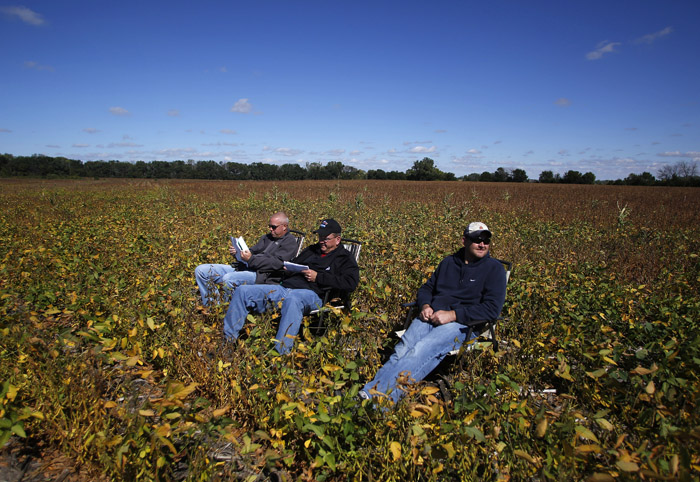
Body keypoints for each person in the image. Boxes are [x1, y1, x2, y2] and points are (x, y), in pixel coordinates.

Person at [360, 222, 507, 404]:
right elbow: (426, 289)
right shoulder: (448, 262)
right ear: (464, 240)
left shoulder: (494, 269)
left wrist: (453, 315)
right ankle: (369, 395)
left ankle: (380, 403)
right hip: (431, 316)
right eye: (477, 240)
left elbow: (492, 309)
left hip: (463, 324)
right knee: (402, 350)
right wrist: (425, 306)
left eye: (486, 240)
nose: (482, 244)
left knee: (421, 350)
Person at [223, 218, 359, 355]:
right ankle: (228, 342)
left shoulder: (345, 258)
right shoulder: (312, 250)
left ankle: (280, 354)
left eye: (326, 238)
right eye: (320, 237)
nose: (321, 241)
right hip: (285, 287)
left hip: (312, 294)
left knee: (292, 299)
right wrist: (289, 268)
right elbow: (293, 264)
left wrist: (318, 277)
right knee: (243, 291)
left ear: (337, 239)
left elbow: (350, 283)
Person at [194, 212, 299, 307]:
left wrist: (251, 260)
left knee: (229, 279)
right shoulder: (267, 237)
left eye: (274, 227)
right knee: (202, 270)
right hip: (245, 267)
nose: (270, 229)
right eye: (269, 226)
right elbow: (253, 250)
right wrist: (239, 252)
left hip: (261, 274)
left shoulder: (289, 242)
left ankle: (228, 310)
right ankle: (212, 306)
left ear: (284, 226)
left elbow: (277, 263)